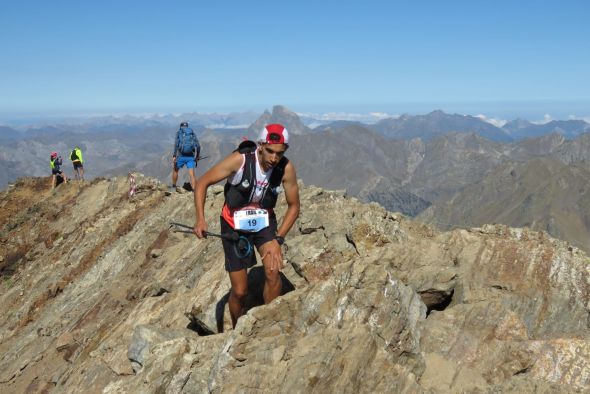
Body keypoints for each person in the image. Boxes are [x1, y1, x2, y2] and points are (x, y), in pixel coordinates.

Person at [193, 124, 300, 328]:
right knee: (240, 291)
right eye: (269, 151)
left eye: (280, 153)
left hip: (263, 222)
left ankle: (267, 325)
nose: (274, 158)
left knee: (273, 270)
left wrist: (279, 239)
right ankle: (237, 328)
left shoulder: (285, 168)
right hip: (234, 224)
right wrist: (200, 218)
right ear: (260, 146)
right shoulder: (240, 161)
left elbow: (294, 206)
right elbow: (203, 183)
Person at [172, 121, 200, 191]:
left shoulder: (179, 133)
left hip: (181, 156)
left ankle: (173, 186)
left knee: (175, 170)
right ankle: (194, 190)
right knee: (192, 175)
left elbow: (176, 145)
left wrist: (174, 155)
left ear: (180, 127)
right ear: (187, 127)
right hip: (190, 157)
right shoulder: (192, 133)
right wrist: (197, 157)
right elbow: (198, 146)